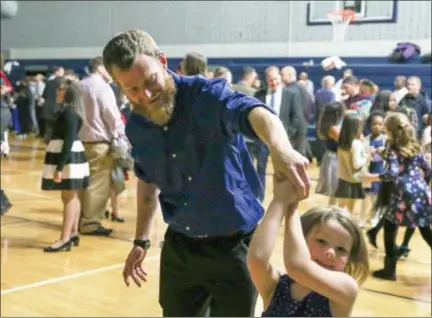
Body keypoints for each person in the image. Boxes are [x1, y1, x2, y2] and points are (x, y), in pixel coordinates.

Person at [102, 29, 310, 317]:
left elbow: (255, 112)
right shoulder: (137, 126)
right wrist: (141, 240)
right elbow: (148, 184)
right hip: (180, 248)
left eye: (150, 81)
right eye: (132, 90)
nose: (145, 95)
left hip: (233, 247)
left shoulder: (207, 96)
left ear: (162, 61)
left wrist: (279, 146)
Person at [247, 177, 368, 317]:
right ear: (300, 240)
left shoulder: (346, 289)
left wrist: (291, 207)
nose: (330, 252)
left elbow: (298, 267)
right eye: (321, 241)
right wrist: (279, 200)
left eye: (341, 249)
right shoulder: (278, 286)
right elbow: (257, 260)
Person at [363, 113, 431, 281]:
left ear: (390, 131)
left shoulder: (394, 148)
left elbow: (392, 173)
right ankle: (389, 268)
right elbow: (428, 169)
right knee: (425, 229)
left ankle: (389, 270)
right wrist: (420, 184)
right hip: (420, 192)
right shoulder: (414, 146)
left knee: (390, 228)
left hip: (402, 195)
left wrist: (372, 177)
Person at [41, 79, 89, 252]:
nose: (57, 92)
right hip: (70, 155)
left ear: (69, 93)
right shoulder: (70, 111)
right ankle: (73, 233)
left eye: (61, 89)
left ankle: (64, 238)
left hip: (68, 157)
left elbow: (68, 140)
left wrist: (60, 167)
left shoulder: (70, 113)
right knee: (71, 196)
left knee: (69, 197)